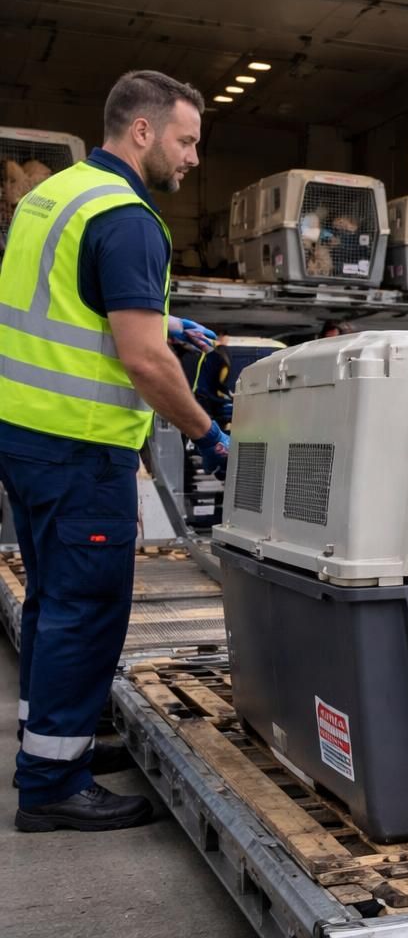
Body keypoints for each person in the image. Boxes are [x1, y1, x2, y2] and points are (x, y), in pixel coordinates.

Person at [0, 70, 230, 833]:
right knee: (86, 609)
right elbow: (142, 363)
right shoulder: (129, 217)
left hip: (26, 434)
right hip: (80, 443)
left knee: (50, 604)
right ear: (143, 131)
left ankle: (49, 743)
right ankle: (51, 787)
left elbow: (68, 298)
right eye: (187, 140)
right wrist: (207, 435)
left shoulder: (55, 194)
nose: (193, 158)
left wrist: (170, 322)